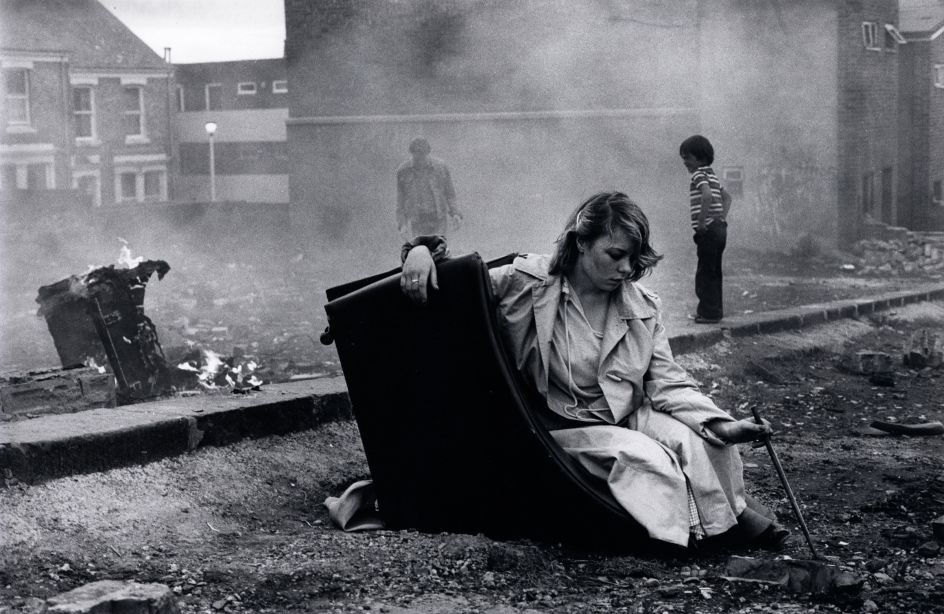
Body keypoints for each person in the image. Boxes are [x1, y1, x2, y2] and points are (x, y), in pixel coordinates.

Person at [399, 192, 788, 550]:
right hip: (557, 426)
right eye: (616, 254)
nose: (626, 268)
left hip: (626, 415)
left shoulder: (643, 306)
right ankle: (703, 538)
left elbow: (669, 385)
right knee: (649, 458)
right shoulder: (527, 283)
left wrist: (723, 426)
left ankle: (728, 522)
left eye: (633, 259)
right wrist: (419, 251)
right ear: (580, 242)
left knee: (707, 443)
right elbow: (458, 280)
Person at [679, 135, 731, 324]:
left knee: (704, 274)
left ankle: (708, 314)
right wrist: (722, 218)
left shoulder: (698, 175)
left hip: (708, 232)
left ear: (700, 158)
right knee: (714, 272)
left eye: (687, 158)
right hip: (720, 230)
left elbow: (707, 196)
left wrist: (701, 222)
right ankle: (715, 312)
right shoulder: (712, 175)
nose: (685, 162)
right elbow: (728, 198)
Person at [396, 137, 461, 240]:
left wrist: (455, 214)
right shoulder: (403, 171)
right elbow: (400, 201)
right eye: (417, 157)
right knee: (421, 251)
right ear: (411, 153)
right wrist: (402, 225)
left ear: (428, 153)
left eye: (423, 156)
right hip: (417, 221)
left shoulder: (441, 168)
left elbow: (450, 194)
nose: (420, 160)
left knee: (438, 250)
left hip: (438, 219)